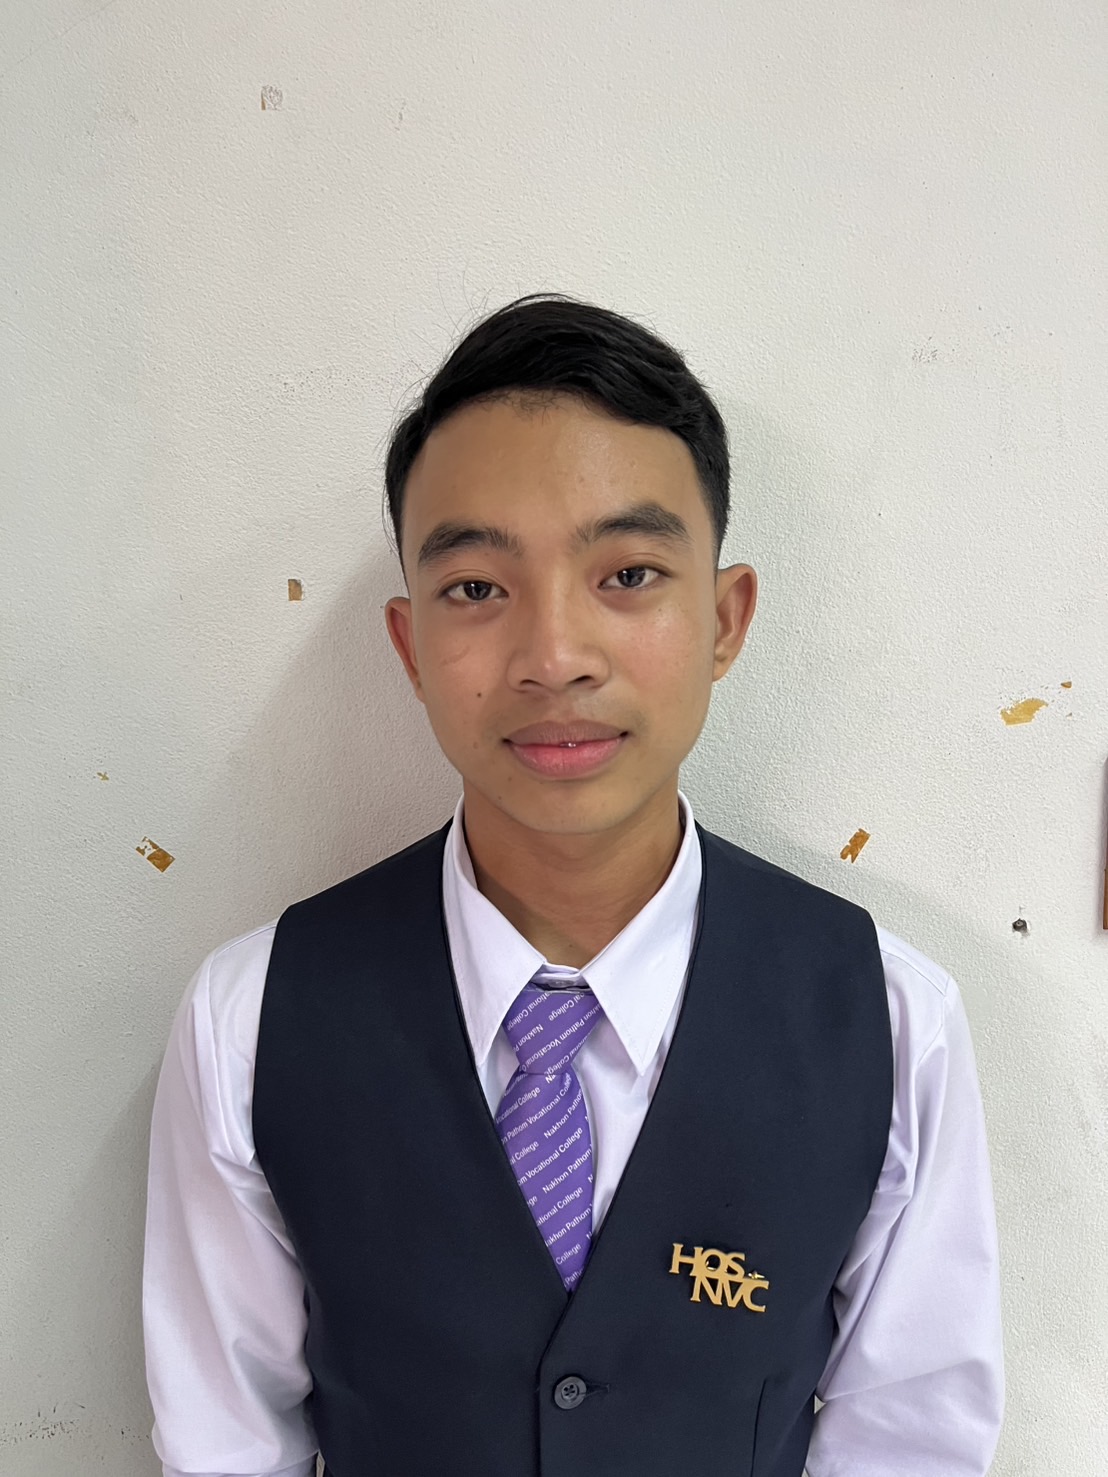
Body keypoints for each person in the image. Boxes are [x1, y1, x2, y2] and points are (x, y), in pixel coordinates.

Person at [142, 294, 1004, 1477]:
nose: (553, 657)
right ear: (408, 644)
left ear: (724, 620)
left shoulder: (892, 1023)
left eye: (629, 573)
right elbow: (227, 1447)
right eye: (476, 588)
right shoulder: (249, 1021)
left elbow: (911, 1439)